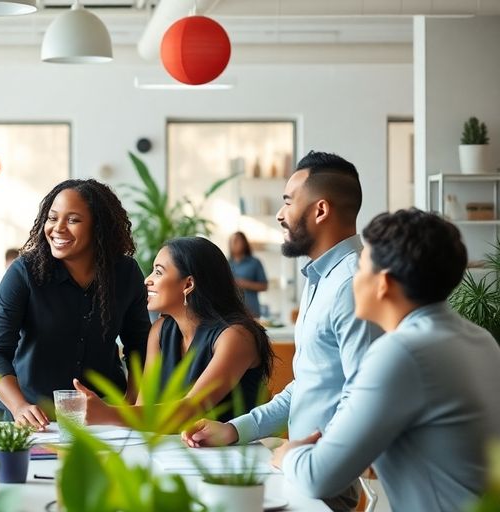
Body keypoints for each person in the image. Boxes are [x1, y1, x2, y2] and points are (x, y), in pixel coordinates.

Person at [182, 151, 382, 511]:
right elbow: (307, 384)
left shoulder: (353, 283)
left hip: (324, 480)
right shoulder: (320, 279)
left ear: (320, 210)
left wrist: (307, 462)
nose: (279, 214)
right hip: (302, 470)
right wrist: (235, 429)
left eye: (288, 201)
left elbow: (363, 399)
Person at [271, 209, 500, 512]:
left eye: (361, 268)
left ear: (383, 283)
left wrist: (288, 454)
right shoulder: (481, 340)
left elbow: (319, 477)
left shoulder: (403, 352)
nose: (354, 281)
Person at [0, 179, 151, 429]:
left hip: (102, 417)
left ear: (99, 228)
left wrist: (129, 404)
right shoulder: (24, 273)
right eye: (52, 218)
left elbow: (139, 347)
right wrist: (19, 407)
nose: (57, 228)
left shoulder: (125, 274)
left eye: (73, 220)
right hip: (31, 417)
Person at [74, 236, 273, 427]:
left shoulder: (235, 337)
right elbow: (144, 409)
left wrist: (108, 413)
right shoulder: (160, 332)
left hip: (234, 456)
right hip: (176, 453)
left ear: (188, 284)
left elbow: (191, 410)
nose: (147, 280)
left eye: (158, 272)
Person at [228, 231, 268, 317]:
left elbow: (264, 286)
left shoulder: (255, 262)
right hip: (230, 312)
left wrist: (244, 284)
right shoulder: (225, 263)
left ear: (244, 242)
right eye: (231, 241)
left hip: (251, 311)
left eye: (237, 240)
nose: (233, 243)